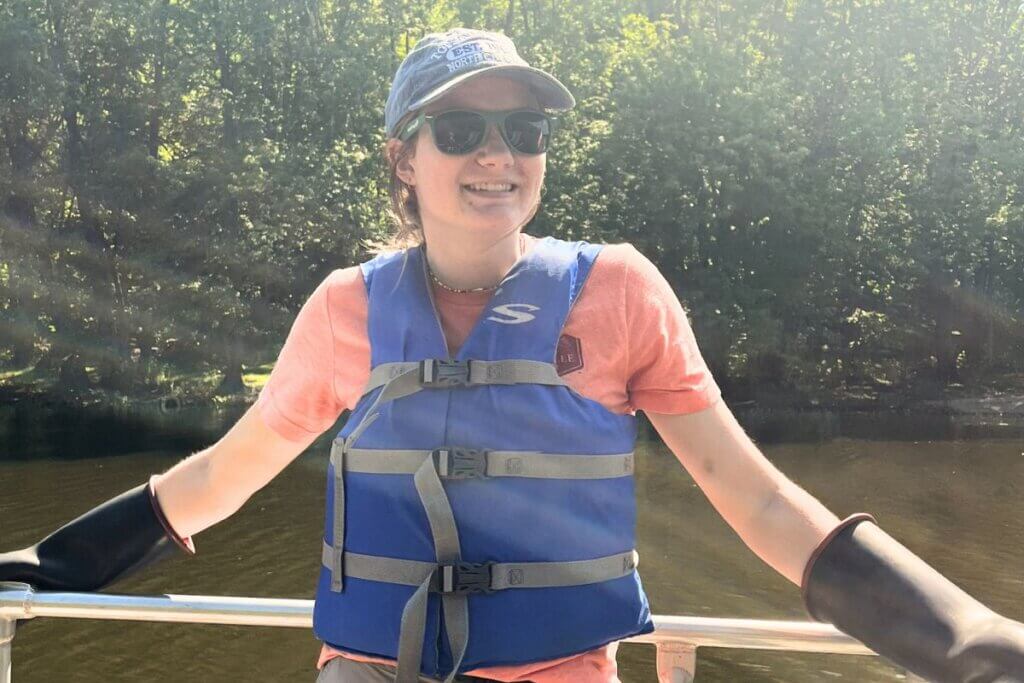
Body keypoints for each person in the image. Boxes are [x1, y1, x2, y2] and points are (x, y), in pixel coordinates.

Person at [2, 28, 1023, 683]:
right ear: (404, 157)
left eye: (523, 127)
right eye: (462, 129)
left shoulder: (620, 290)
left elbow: (751, 496)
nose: (498, 154)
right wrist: (51, 565)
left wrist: (963, 638)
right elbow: (224, 475)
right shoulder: (344, 309)